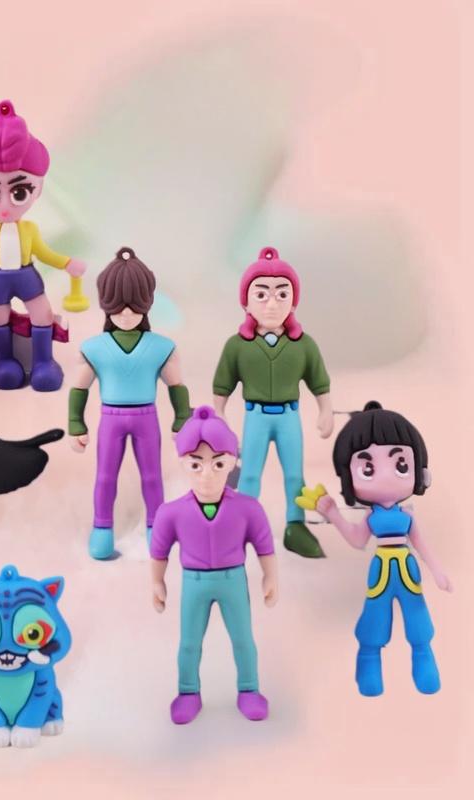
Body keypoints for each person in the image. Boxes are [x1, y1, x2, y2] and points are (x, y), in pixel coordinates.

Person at [300, 401, 451, 695]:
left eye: (400, 464)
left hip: (408, 572)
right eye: (367, 468)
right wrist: (333, 514)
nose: (385, 476)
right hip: (380, 573)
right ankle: (368, 662)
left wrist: (438, 572)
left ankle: (424, 658)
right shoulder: (371, 517)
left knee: (418, 616)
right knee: (375, 616)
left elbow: (421, 544)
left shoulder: (407, 516)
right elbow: (357, 540)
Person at [150, 406, 278, 724]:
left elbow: (265, 545)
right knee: (190, 643)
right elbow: (159, 552)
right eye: (196, 464)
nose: (206, 474)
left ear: (232, 462)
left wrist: (271, 576)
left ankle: (249, 689)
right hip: (193, 583)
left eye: (217, 463)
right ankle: (188, 692)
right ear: (183, 463)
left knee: (243, 639)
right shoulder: (170, 512)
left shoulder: (248, 509)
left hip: (233, 580)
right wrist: (157, 582)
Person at [69, 247, 190, 559]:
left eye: (134, 305)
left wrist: (182, 419)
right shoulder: (94, 348)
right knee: (105, 476)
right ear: (105, 303)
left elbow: (176, 385)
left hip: (147, 418)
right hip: (110, 419)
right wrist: (76, 424)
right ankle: (102, 528)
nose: (125, 313)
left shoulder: (161, 347)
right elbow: (79, 388)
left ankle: (156, 528)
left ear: (146, 303)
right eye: (117, 305)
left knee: (152, 476)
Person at [213, 246, 333, 558]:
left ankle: (296, 525)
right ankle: (243, 525)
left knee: (294, 474)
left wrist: (325, 409)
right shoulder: (237, 346)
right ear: (246, 301)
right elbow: (223, 385)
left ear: (293, 300)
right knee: (250, 474)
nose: (271, 304)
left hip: (289, 417)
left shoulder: (303, 345)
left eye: (282, 294)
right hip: (255, 417)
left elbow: (319, 381)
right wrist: (219, 412)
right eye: (261, 294)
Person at [0, 100, 86, 392]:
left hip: (26, 276)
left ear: (37, 189)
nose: (5, 204)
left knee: (42, 314)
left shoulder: (29, 231)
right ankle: (4, 362)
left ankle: (43, 362)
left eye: (19, 192)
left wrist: (67, 263)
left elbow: (44, 253)